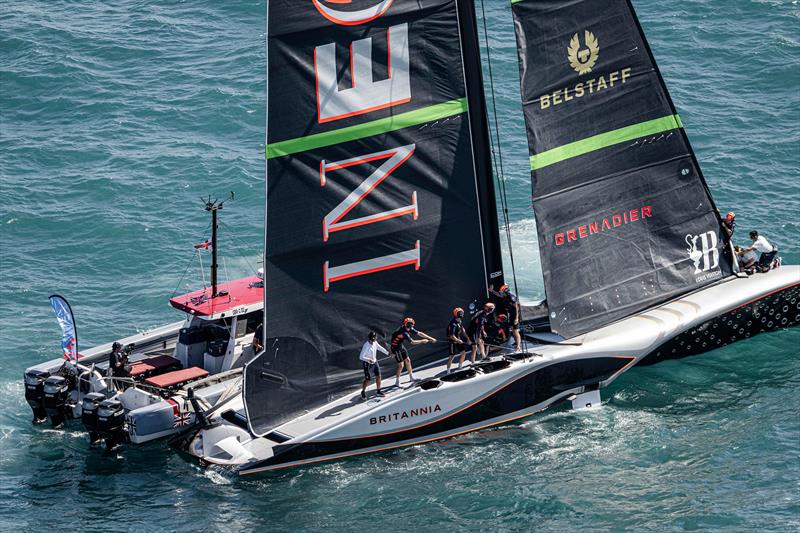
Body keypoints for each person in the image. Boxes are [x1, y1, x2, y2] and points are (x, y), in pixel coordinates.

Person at [389, 317, 436, 387]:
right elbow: (412, 342)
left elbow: (420, 333)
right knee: (401, 365)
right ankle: (397, 381)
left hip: (400, 346)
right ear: (405, 325)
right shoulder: (404, 332)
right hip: (395, 348)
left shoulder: (408, 328)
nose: (410, 327)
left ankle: (411, 377)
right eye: (409, 325)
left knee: (408, 360)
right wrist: (422, 341)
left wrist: (431, 338)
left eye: (411, 325)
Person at [488, 283, 521, 348]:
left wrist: (516, 318)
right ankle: (516, 342)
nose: (501, 293)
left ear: (505, 291)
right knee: (512, 330)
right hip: (511, 315)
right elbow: (499, 295)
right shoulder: (505, 295)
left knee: (515, 331)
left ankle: (518, 346)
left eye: (502, 292)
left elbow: (517, 307)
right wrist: (492, 291)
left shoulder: (511, 297)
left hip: (515, 315)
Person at [359, 331, 387, 400]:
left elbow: (380, 348)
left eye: (374, 339)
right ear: (369, 339)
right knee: (368, 379)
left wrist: (388, 353)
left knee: (378, 375)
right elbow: (361, 357)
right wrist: (368, 360)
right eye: (371, 340)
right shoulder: (366, 346)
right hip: (367, 363)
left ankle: (378, 391)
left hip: (374, 361)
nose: (372, 341)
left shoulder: (375, 342)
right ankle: (363, 392)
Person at [446, 308, 470, 373]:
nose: (461, 314)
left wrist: (468, 339)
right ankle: (448, 371)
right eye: (460, 313)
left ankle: (460, 366)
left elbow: (463, 330)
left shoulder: (460, 321)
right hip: (452, 341)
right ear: (456, 314)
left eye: (462, 313)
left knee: (463, 353)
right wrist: (457, 340)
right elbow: (451, 335)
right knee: (452, 356)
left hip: (458, 339)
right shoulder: (453, 324)